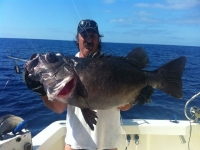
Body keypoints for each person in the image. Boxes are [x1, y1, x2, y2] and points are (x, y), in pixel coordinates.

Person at [23, 19, 153, 150]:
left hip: (109, 144)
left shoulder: (112, 66)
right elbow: (58, 108)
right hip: (75, 145)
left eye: (92, 36)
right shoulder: (68, 67)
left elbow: (124, 107)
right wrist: (41, 91)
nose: (88, 39)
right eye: (84, 35)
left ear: (98, 39)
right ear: (78, 38)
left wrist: (135, 99)